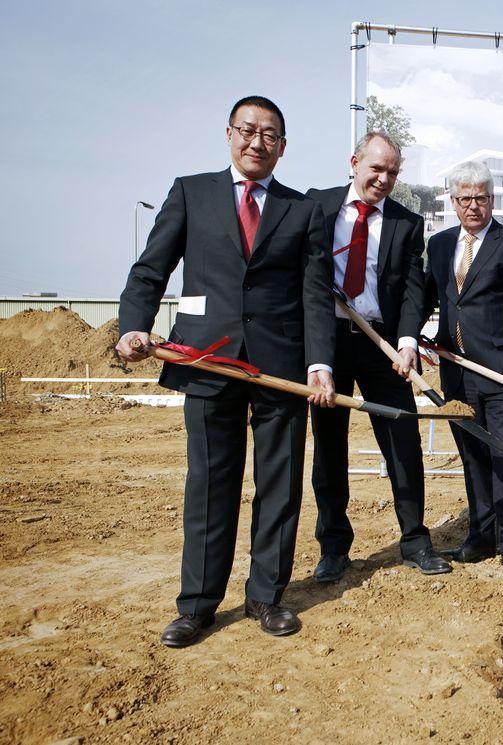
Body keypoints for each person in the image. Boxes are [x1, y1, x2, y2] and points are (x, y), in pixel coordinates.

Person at [117, 96, 336, 647]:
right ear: (229, 133)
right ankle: (197, 605)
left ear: (283, 147)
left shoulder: (303, 210)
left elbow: (314, 294)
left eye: (270, 135)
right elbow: (151, 268)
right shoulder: (192, 192)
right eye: (248, 130)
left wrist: (319, 363)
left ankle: (267, 596)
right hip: (206, 360)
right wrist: (132, 326)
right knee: (210, 485)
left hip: (278, 368)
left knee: (279, 486)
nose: (257, 142)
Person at [305, 132, 451, 580]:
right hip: (328, 341)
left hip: (381, 344)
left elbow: (411, 289)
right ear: (354, 163)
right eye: (376, 169)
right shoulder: (318, 206)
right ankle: (333, 546)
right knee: (330, 447)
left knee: (402, 442)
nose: (384, 179)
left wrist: (408, 339)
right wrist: (317, 359)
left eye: (392, 172)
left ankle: (414, 540)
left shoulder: (407, 223)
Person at [423, 161, 503, 573]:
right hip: (454, 371)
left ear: (493, 199)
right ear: (453, 202)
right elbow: (427, 297)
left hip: (502, 373)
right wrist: (407, 338)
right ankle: (482, 535)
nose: (474, 206)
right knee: (472, 455)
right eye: (465, 198)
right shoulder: (438, 245)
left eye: (482, 198)